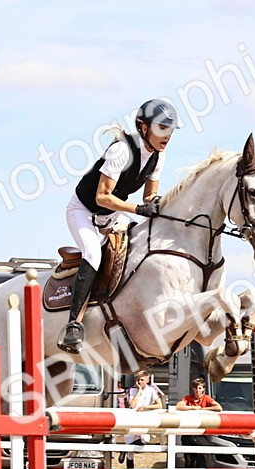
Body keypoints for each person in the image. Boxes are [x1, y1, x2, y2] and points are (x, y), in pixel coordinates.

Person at [57, 99, 182, 354]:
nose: (167, 136)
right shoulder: (121, 151)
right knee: (93, 254)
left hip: (111, 215)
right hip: (83, 211)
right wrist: (137, 209)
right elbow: (102, 196)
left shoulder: (158, 156)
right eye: (161, 129)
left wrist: (161, 206)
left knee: (140, 242)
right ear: (143, 128)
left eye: (169, 130)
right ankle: (73, 325)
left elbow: (149, 196)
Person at [120, 369, 164, 468]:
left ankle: (125, 449)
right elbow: (132, 405)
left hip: (144, 420)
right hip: (132, 419)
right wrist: (139, 391)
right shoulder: (132, 390)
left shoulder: (151, 390)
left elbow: (159, 405)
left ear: (147, 380)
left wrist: (146, 407)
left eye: (142, 380)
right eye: (138, 380)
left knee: (145, 439)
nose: (140, 382)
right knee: (131, 454)